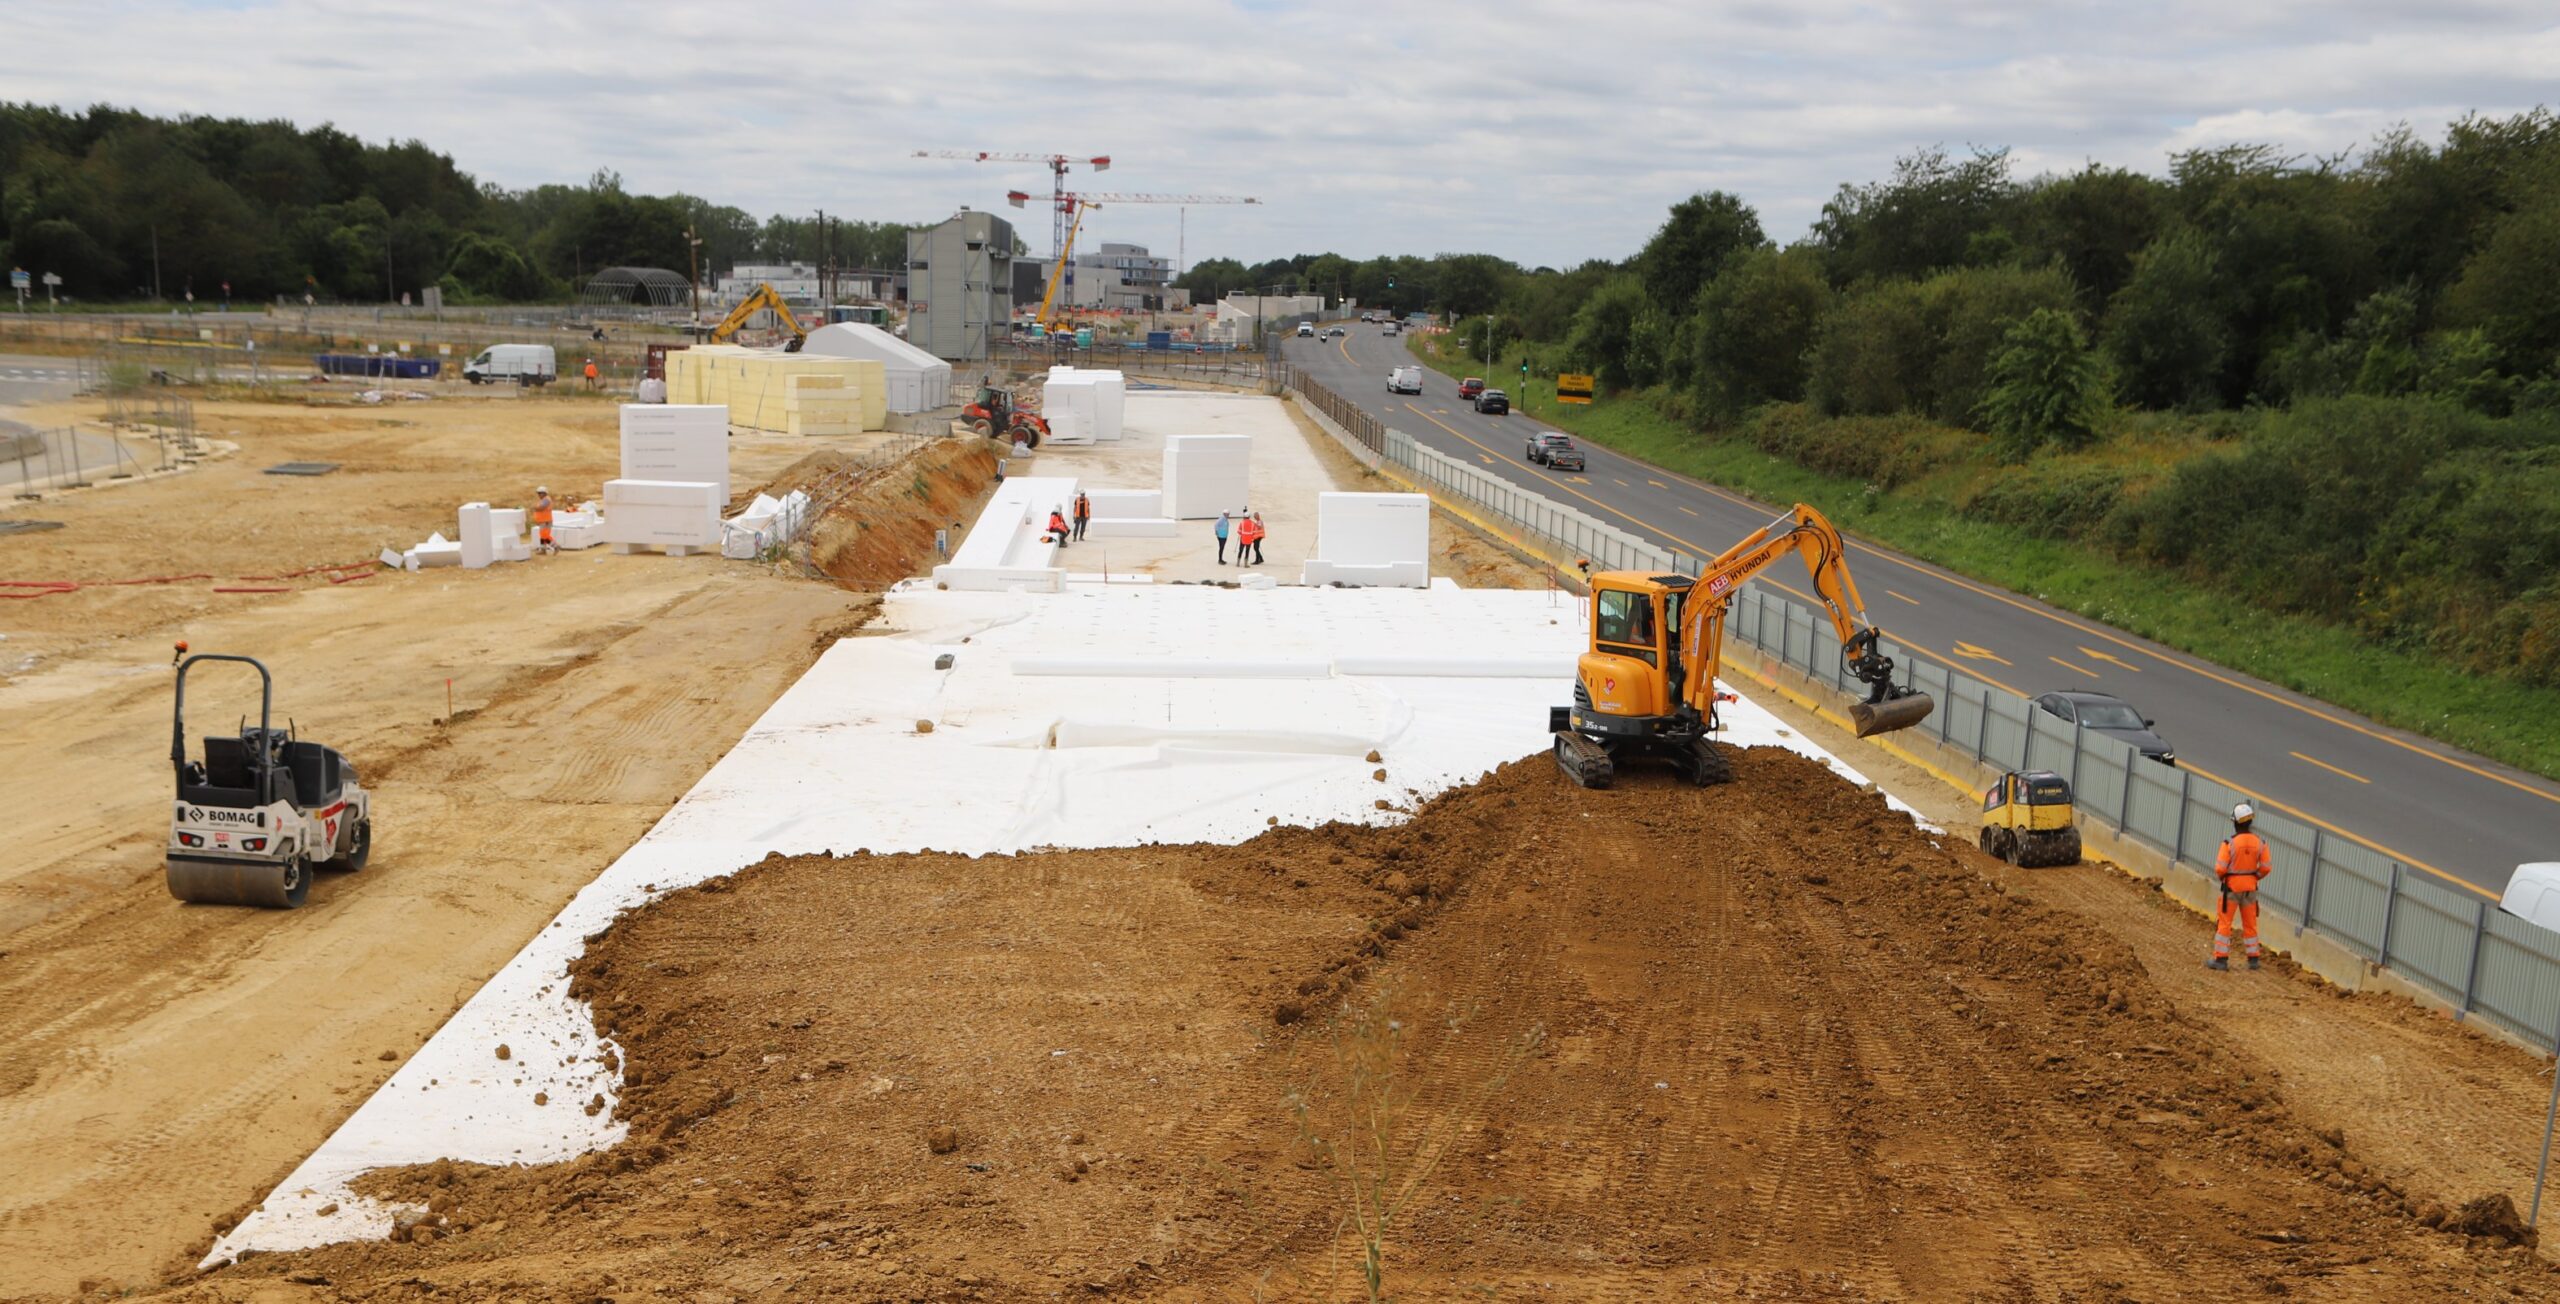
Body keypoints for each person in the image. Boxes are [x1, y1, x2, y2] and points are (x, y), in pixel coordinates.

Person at [2210, 802, 2273, 970]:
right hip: (2250, 889)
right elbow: (2266, 867)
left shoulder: (2229, 843)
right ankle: (2253, 960)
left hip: (2231, 889)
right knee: (2250, 923)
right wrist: (2254, 878)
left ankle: (2221, 960)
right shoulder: (2261, 843)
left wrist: (2226, 878)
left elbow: (2220, 868)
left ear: (2235, 822)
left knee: (2224, 923)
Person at [532, 486, 556, 555]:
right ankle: (543, 550)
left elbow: (541, 508)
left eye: (540, 493)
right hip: (543, 521)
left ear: (545, 493)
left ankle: (555, 546)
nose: (539, 495)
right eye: (538, 493)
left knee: (545, 536)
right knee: (543, 536)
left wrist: (534, 507)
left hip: (546, 521)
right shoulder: (543, 500)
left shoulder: (546, 500)